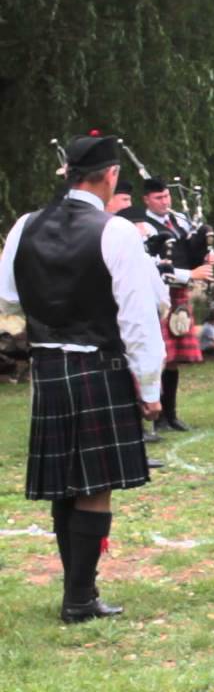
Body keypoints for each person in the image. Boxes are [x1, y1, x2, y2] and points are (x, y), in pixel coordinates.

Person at [0, 134, 165, 623]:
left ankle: (78, 593)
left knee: (64, 484)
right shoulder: (116, 232)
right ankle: (79, 598)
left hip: (48, 367)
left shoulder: (24, 225)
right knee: (94, 484)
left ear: (67, 173)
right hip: (98, 365)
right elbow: (139, 317)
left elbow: (8, 297)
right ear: (110, 174)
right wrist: (151, 387)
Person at [138, 177, 214, 432]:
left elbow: (191, 253)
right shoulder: (143, 227)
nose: (165, 202)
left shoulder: (180, 220)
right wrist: (191, 273)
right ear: (146, 200)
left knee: (172, 360)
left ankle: (171, 414)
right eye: (159, 198)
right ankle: (157, 416)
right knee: (159, 356)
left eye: (167, 196)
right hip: (159, 294)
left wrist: (206, 255)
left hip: (179, 294)